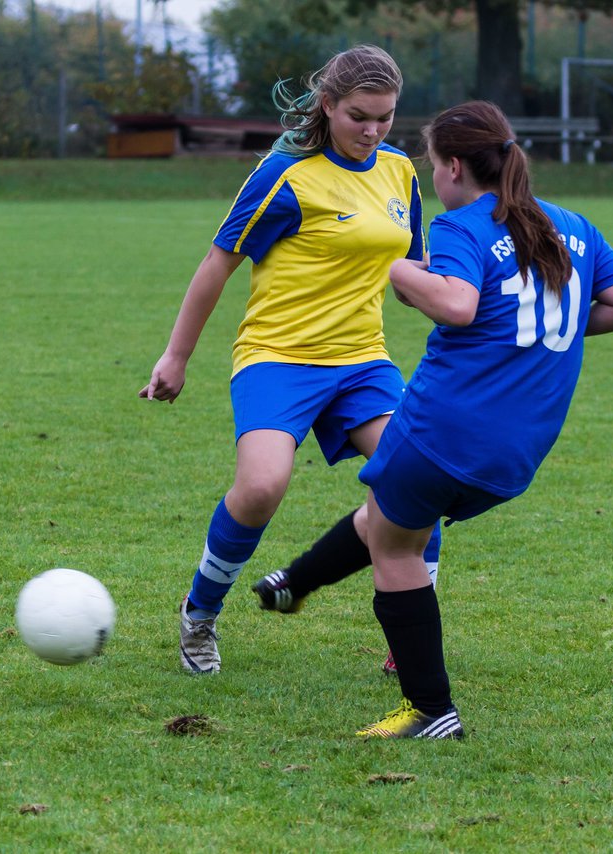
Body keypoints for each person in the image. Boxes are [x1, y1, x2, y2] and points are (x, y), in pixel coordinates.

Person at [252, 101, 613, 738]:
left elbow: (459, 306)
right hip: (521, 449)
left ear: (455, 167)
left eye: (433, 164)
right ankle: (292, 584)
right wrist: (552, 331)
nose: (433, 178)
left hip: (446, 428)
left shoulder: (460, 226)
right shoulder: (574, 226)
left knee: (394, 544)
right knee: (391, 514)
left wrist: (399, 271)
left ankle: (432, 711)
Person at [140, 44, 442, 674]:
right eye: (360, 115)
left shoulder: (400, 173)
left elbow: (412, 268)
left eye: (386, 117)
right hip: (278, 357)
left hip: (362, 360)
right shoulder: (287, 174)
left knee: (417, 475)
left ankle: (410, 630)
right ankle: (199, 615)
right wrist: (176, 356)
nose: (373, 130)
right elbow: (218, 261)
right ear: (328, 105)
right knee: (260, 487)